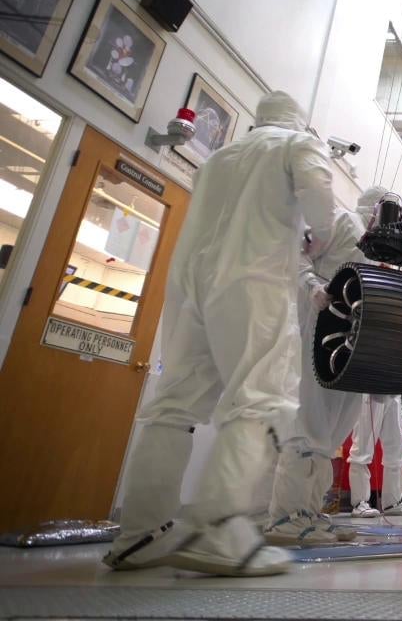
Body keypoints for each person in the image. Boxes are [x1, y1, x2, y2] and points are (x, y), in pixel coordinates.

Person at [103, 91, 334, 576]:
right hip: (252, 282)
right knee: (262, 397)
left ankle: (139, 533)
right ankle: (221, 532)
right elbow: (321, 204)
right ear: (300, 123)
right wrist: (319, 236)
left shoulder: (219, 157)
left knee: (172, 405)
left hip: (189, 287)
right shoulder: (297, 144)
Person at [264, 186, 390, 543]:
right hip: (318, 334)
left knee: (333, 433)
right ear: (375, 206)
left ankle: (309, 513)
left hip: (351, 347)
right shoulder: (341, 221)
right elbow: (299, 255)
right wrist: (311, 287)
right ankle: (284, 518)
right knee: (309, 425)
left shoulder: (380, 248)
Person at [348, 393, 402, 518]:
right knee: (363, 446)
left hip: (395, 392)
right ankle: (360, 503)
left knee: (397, 448)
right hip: (371, 388)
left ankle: (392, 503)